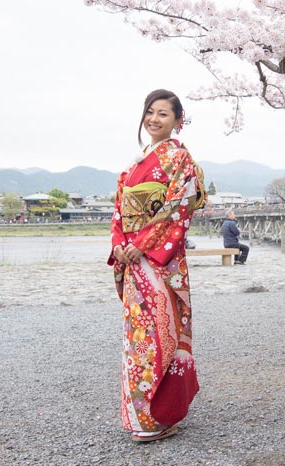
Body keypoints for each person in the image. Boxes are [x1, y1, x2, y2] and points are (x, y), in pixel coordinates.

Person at [108, 89, 202, 442]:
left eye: (163, 114)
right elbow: (119, 211)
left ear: (178, 121)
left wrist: (140, 245)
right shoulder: (133, 165)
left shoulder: (179, 159)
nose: (154, 119)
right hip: (134, 260)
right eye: (150, 112)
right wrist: (120, 245)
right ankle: (140, 415)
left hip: (159, 262)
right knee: (137, 338)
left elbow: (179, 208)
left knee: (160, 335)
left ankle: (161, 414)